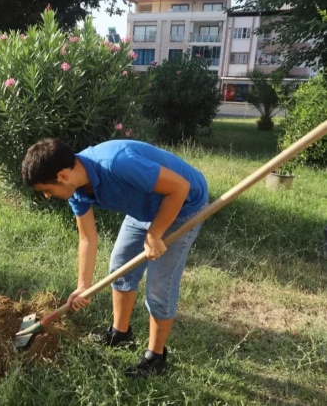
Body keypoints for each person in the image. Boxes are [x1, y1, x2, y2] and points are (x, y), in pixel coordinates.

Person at [21, 138, 208, 378]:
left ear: (62, 176)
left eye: (46, 189)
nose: (47, 196)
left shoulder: (117, 163)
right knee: (119, 266)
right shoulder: (76, 190)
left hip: (182, 204)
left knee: (160, 286)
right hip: (144, 205)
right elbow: (87, 238)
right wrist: (82, 286)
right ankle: (120, 333)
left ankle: (156, 358)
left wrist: (155, 233)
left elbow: (179, 187)